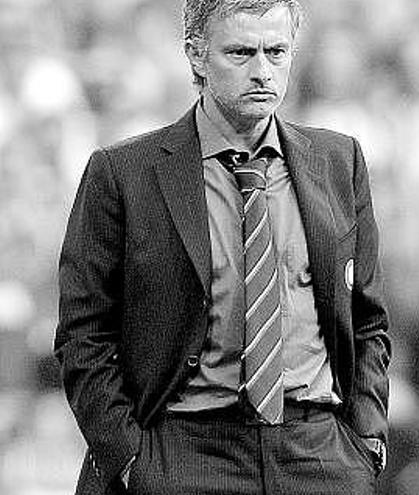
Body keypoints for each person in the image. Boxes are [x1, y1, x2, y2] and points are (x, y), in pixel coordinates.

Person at [54, 1, 390, 493]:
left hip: (318, 450)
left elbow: (369, 319)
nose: (262, 71)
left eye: (276, 51)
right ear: (195, 56)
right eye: (240, 52)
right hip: (184, 449)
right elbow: (83, 335)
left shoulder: (339, 162)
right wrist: (130, 459)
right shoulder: (124, 174)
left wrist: (366, 441)